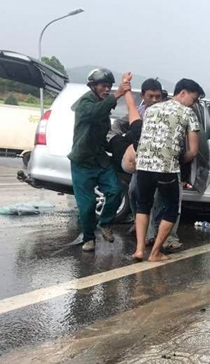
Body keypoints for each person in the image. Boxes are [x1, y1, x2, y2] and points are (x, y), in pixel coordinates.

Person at [132, 78, 203, 262]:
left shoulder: (151, 109)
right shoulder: (188, 113)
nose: (194, 104)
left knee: (142, 206)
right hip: (167, 168)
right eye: (193, 99)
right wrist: (180, 160)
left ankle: (139, 250)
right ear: (183, 93)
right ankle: (155, 253)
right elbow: (193, 151)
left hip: (143, 166)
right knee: (171, 210)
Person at [68, 68, 130, 252]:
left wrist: (119, 146)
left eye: (110, 86)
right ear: (93, 86)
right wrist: (118, 94)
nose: (107, 89)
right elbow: (93, 113)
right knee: (87, 205)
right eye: (104, 86)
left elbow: (101, 134)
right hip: (81, 162)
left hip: (100, 160)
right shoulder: (85, 103)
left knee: (116, 191)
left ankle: (105, 223)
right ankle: (89, 238)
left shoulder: (104, 105)